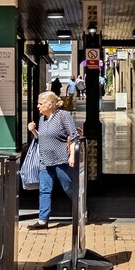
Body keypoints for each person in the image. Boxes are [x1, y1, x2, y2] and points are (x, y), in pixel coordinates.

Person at [25, 90, 81, 228]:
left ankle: (82, 210)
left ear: (50, 104)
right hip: (44, 160)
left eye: (40, 103)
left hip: (61, 160)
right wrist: (33, 131)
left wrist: (72, 156)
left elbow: (73, 136)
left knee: (68, 187)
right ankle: (43, 220)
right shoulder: (42, 119)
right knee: (44, 189)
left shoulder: (63, 116)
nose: (38, 106)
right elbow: (42, 138)